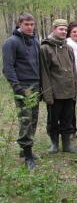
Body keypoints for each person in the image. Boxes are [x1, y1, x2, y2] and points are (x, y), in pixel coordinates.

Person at [2, 13, 40, 169]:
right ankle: (28, 155)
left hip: (36, 84)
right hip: (23, 86)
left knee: (35, 118)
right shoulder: (11, 42)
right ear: (20, 24)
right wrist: (17, 87)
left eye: (32, 24)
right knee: (26, 119)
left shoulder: (35, 41)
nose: (30, 27)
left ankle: (25, 150)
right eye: (26, 24)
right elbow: (7, 68)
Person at [40, 19, 77, 155]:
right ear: (54, 29)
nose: (63, 32)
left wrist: (76, 90)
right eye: (60, 29)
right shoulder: (45, 48)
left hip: (69, 92)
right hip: (55, 93)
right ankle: (54, 144)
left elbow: (73, 70)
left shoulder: (68, 48)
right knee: (53, 121)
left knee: (67, 120)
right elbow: (44, 73)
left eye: (65, 29)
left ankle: (67, 145)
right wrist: (47, 94)